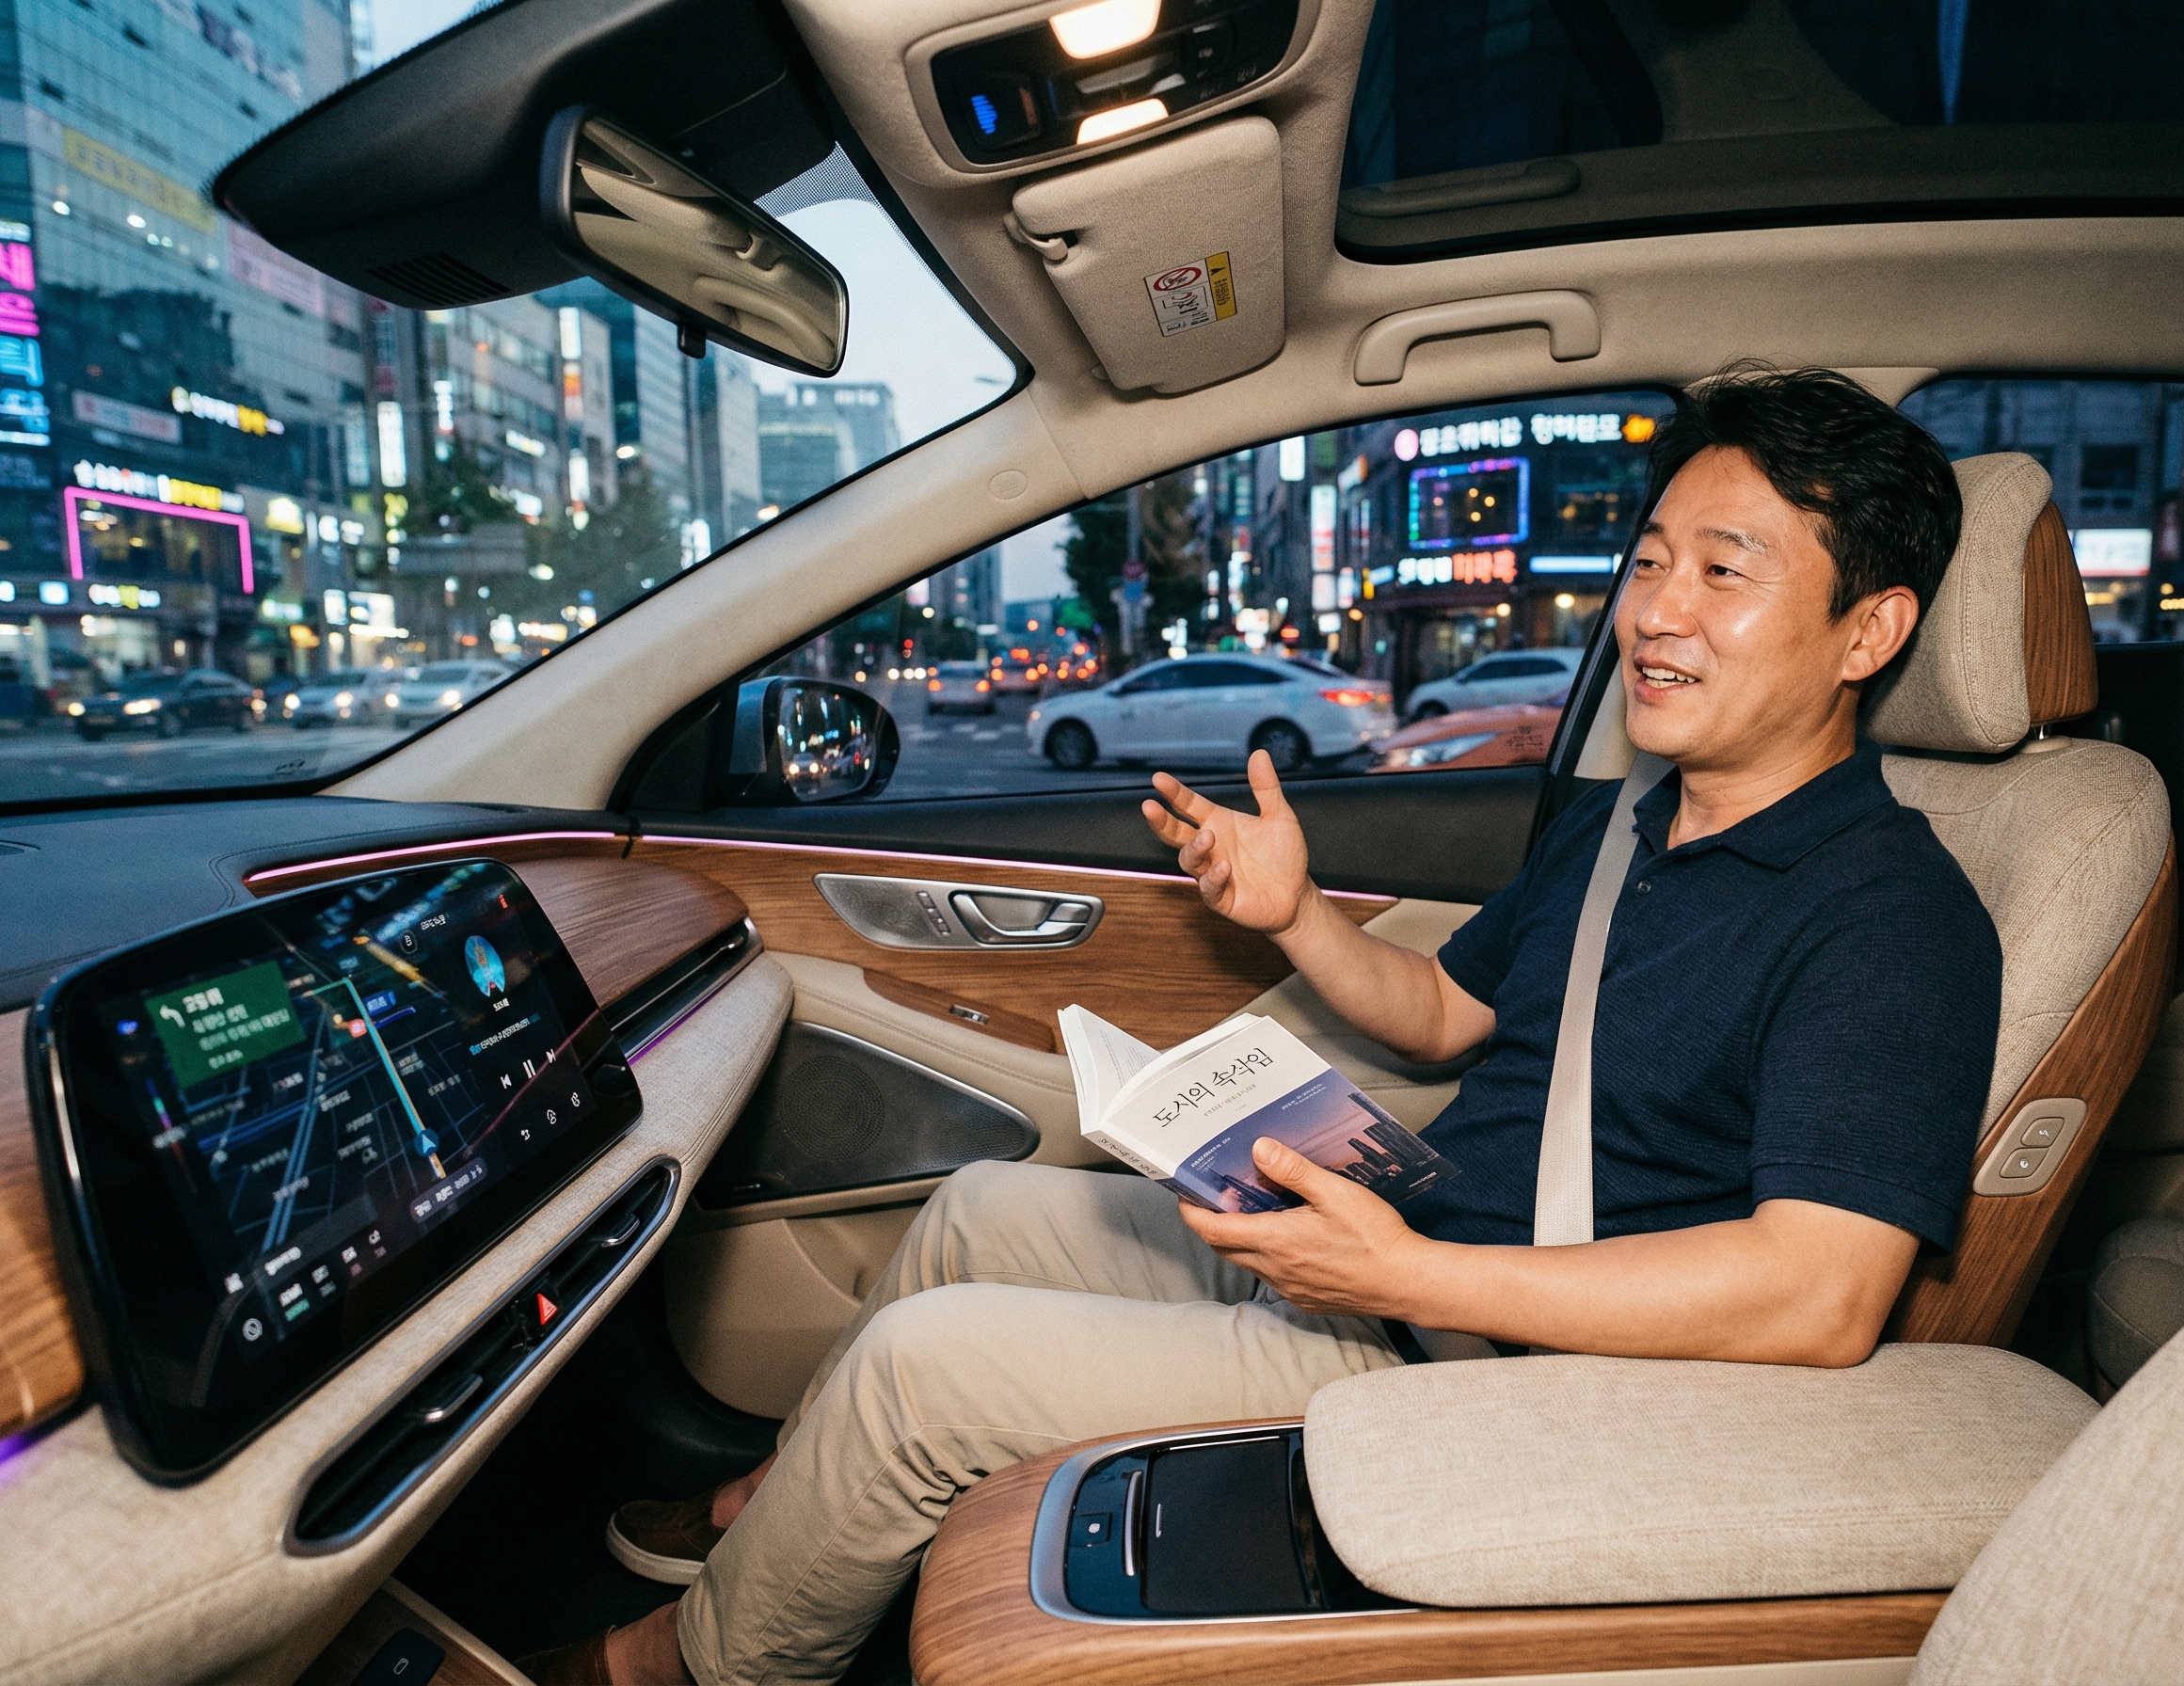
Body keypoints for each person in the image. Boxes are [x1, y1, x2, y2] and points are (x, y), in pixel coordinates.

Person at [519, 365, 2002, 1686]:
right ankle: (779, 1505)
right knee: (972, 1209)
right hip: (1393, 1259)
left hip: (1487, 1366)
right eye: (1653, 558)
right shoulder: (1625, 825)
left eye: (1723, 572)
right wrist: (1295, 911)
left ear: (1867, 629)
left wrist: (1410, 1270)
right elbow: (1440, 1016)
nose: (1654, 611)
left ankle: (680, 1667)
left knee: (929, 1370)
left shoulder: (1892, 918)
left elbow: (1819, 1297)